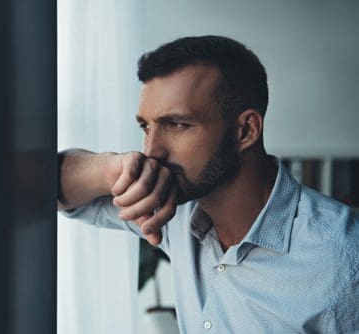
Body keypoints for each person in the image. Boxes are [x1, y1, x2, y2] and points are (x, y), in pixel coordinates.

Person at [58, 36, 358, 333]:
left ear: (245, 130)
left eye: (177, 125)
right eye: (146, 126)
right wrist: (109, 168)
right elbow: (40, 186)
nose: (152, 151)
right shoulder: (168, 205)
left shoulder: (344, 260)